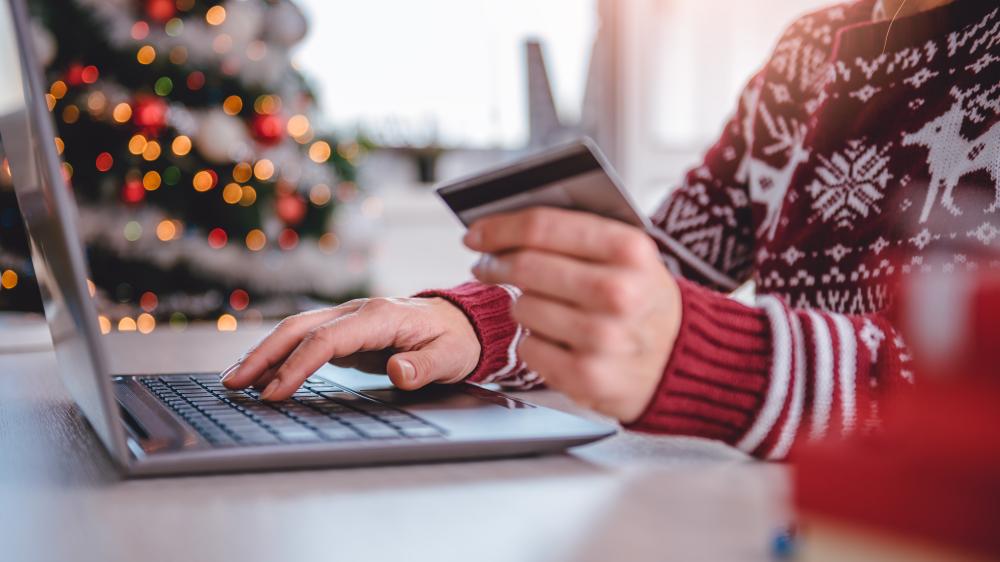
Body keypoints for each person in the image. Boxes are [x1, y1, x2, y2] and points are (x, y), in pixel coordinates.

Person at [222, 0, 999, 460]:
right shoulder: (807, 52)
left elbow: (978, 396)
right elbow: (673, 265)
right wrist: (473, 321)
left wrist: (717, 358)